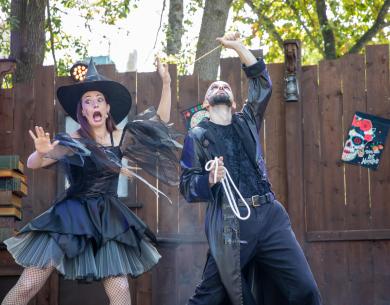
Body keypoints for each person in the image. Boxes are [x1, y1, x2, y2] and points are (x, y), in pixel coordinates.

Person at [2, 58, 180, 305]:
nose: (94, 104)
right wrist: (42, 151)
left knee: (120, 291)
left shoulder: (121, 137)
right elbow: (34, 163)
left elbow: (159, 123)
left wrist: (167, 82)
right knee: (29, 284)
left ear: (107, 108)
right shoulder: (72, 140)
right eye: (88, 101)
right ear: (82, 111)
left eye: (99, 100)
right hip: (71, 215)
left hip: (108, 217)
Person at [180, 33, 322, 305]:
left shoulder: (246, 121)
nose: (220, 86)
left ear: (234, 103)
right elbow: (186, 185)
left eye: (225, 86)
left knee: (305, 290)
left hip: (270, 216)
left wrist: (237, 47)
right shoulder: (197, 136)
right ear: (206, 104)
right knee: (210, 296)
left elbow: (261, 81)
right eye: (214, 87)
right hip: (232, 223)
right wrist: (209, 179)